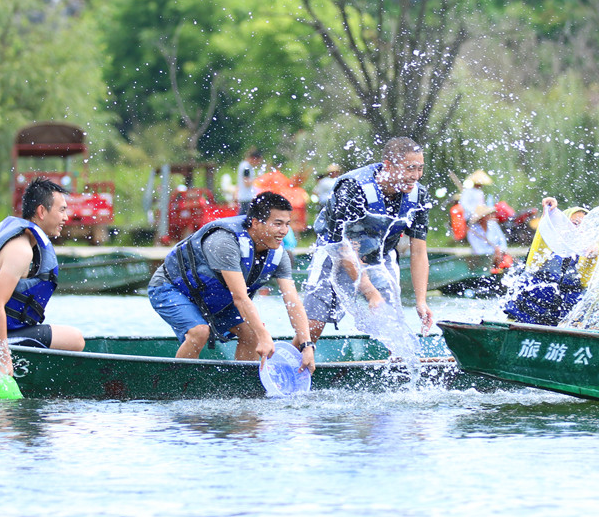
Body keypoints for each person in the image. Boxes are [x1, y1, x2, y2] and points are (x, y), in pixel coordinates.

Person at [149, 191, 316, 371]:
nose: (284, 231)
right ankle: (177, 383)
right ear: (255, 223)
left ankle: (241, 385)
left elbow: (293, 301)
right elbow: (240, 298)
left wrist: (306, 345)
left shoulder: (279, 255)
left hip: (216, 297)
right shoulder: (225, 242)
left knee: (252, 333)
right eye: (277, 224)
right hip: (170, 288)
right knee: (199, 331)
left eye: (286, 224)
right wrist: (264, 336)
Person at [0, 177, 85, 379]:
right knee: (75, 339)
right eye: (61, 210)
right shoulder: (21, 251)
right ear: (41, 211)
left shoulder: (23, 240)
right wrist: (4, 361)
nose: (66, 217)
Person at [304, 137, 433, 342]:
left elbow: (418, 251)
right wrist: (370, 292)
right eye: (410, 168)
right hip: (334, 253)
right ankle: (299, 355)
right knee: (312, 326)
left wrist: (421, 301)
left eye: (420, 168)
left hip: (378, 257)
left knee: (394, 326)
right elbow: (343, 247)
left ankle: (396, 361)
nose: (416, 176)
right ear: (388, 165)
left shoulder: (419, 196)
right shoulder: (353, 188)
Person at [504, 198, 593, 326]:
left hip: (560, 320)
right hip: (525, 317)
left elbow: (589, 272)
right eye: (575, 223)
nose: (578, 230)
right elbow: (544, 231)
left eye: (584, 226)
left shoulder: (588, 255)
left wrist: (594, 251)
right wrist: (549, 212)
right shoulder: (543, 251)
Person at [466, 204, 512, 273]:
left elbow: (502, 241)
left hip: (499, 257)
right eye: (486, 214)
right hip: (483, 260)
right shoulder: (472, 231)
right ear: (481, 217)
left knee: (507, 262)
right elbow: (478, 250)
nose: (489, 216)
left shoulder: (493, 225)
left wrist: (500, 251)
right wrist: (494, 253)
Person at [236, 149, 264, 215]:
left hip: (244, 196)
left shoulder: (244, 165)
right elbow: (247, 183)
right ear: (254, 158)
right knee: (245, 216)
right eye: (258, 161)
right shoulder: (246, 167)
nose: (258, 163)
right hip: (246, 197)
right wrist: (257, 178)